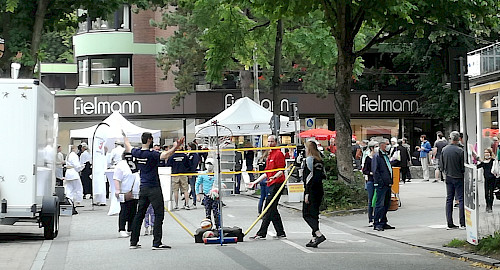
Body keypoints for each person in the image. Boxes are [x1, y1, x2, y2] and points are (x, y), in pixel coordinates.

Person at [124, 131, 184, 250]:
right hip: (154, 187)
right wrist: (176, 146)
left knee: (139, 214)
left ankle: (133, 242)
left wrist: (124, 136)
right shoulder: (152, 154)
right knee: (159, 214)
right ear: (150, 140)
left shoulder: (137, 152)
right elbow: (166, 155)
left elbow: (128, 146)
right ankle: (157, 242)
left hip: (143, 188)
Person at [248, 135, 287, 240]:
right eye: (268, 141)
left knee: (268, 208)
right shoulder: (270, 154)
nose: (270, 143)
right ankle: (280, 232)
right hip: (271, 183)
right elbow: (266, 173)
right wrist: (255, 182)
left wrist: (274, 177)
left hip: (277, 183)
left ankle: (262, 232)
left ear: (276, 142)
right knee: (272, 209)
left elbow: (281, 170)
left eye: (272, 141)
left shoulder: (278, 154)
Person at [302, 141, 326, 248]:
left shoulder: (309, 161)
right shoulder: (320, 161)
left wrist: (307, 192)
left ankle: (318, 234)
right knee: (314, 214)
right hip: (319, 189)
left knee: (306, 214)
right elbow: (322, 176)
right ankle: (314, 238)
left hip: (311, 189)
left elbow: (308, 178)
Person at [439, 131, 465, 230]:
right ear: (458, 139)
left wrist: (445, 172)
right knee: (461, 199)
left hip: (448, 176)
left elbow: (441, 165)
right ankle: (462, 222)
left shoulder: (444, 150)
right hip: (458, 176)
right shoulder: (460, 151)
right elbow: (462, 166)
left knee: (449, 199)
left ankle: (449, 223)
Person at [113, 152, 139, 238]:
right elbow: (116, 178)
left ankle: (131, 228)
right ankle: (122, 229)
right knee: (124, 210)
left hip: (135, 190)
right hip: (125, 190)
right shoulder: (121, 165)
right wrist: (118, 190)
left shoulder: (136, 163)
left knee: (133, 210)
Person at [371, 138, 395, 231]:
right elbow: (376, 170)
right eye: (386, 144)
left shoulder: (385, 156)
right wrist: (379, 182)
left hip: (387, 183)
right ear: (382, 145)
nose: (388, 146)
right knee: (379, 204)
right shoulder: (377, 156)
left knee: (386, 204)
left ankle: (383, 221)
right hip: (382, 184)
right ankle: (377, 223)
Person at [195, 158, 222, 229]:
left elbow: (219, 182)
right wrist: (197, 194)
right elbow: (197, 184)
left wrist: (222, 185)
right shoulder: (202, 174)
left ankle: (218, 226)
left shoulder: (216, 174)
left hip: (215, 196)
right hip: (206, 195)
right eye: (208, 164)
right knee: (208, 212)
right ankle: (208, 226)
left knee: (216, 212)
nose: (209, 166)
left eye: (211, 164)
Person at [167, 145, 191, 210]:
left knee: (175, 190)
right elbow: (188, 165)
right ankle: (187, 204)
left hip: (175, 174)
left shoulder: (172, 156)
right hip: (183, 174)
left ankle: (176, 205)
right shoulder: (184, 156)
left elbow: (168, 165)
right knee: (185, 190)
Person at [363, 141, 378, 226]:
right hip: (370, 181)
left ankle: (376, 217)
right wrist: (371, 173)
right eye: (376, 146)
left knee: (377, 200)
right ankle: (370, 219)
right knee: (371, 200)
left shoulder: (378, 157)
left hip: (378, 181)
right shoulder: (368, 158)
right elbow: (365, 170)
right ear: (372, 148)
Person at [477, 148, 497, 213]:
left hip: (492, 179)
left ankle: (490, 206)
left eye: (487, 152)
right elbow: (478, 166)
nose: (486, 154)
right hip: (486, 179)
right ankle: (487, 205)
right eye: (485, 152)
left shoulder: (493, 161)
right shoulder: (484, 162)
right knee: (486, 193)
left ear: (490, 153)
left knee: (491, 193)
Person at [187, 142, 200, 208]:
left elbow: (194, 164)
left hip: (192, 172)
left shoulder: (194, 155)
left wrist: (191, 173)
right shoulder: (190, 154)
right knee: (190, 187)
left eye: (188, 146)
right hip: (188, 172)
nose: (187, 148)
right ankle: (188, 199)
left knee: (193, 186)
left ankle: (194, 202)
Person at [257, 150, 269, 215]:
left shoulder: (260, 160)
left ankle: (259, 211)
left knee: (262, 197)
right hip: (267, 178)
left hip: (261, 178)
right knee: (267, 196)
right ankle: (265, 211)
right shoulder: (268, 160)